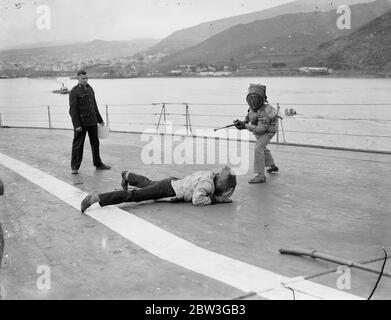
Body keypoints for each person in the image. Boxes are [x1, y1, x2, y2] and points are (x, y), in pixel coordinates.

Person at [81, 167, 236, 213]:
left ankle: (128, 175)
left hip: (171, 183)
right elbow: (197, 199)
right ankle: (96, 198)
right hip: (169, 189)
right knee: (134, 195)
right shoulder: (208, 185)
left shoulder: (208, 173)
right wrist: (217, 200)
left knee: (148, 184)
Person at [234, 84, 279, 184]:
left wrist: (245, 126)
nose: (253, 101)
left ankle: (261, 175)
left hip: (268, 132)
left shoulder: (264, 111)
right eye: (251, 98)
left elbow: (261, 130)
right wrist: (241, 122)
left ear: (261, 99)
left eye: (255, 98)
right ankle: (272, 166)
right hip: (259, 130)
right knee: (262, 147)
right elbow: (248, 117)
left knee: (258, 148)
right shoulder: (252, 107)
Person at [69, 69, 111, 174]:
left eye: (86, 78)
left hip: (92, 121)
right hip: (81, 123)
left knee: (95, 143)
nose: (85, 80)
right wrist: (76, 125)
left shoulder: (90, 88)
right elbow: (72, 110)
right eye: (83, 78)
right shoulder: (74, 91)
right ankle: (74, 167)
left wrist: (100, 119)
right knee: (78, 145)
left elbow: (94, 106)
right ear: (77, 78)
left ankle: (98, 164)